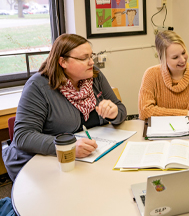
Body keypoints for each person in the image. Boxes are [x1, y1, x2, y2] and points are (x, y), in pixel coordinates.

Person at [3, 34, 127, 181]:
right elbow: (23, 136)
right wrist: (68, 147)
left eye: (91, 56)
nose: (91, 62)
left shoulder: (95, 76)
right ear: (63, 61)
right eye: (84, 58)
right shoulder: (38, 86)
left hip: (89, 159)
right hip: (47, 162)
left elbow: (121, 110)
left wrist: (114, 113)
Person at [138, 30, 189, 120]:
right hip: (158, 132)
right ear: (163, 58)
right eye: (175, 57)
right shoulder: (151, 75)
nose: (183, 60)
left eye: (183, 53)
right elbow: (145, 112)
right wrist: (185, 113)